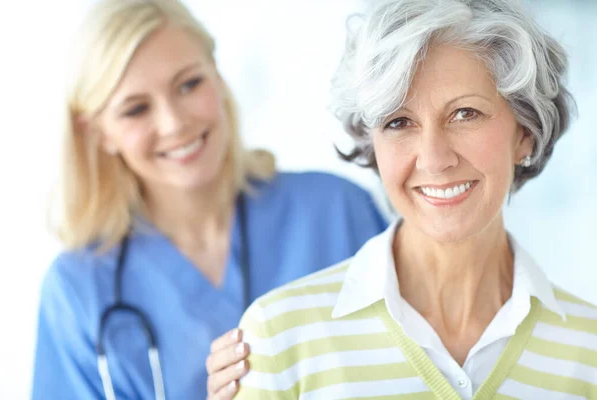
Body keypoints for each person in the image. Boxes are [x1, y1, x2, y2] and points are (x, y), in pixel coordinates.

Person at [235, 0, 597, 398]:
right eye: (398, 122)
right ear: (372, 143)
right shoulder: (279, 337)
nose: (434, 159)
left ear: (524, 133)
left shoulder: (589, 351)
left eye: (465, 114)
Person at [31, 0, 388, 399]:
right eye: (135, 109)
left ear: (217, 77)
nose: (174, 122)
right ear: (98, 133)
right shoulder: (79, 289)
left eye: (189, 84)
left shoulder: (337, 211)